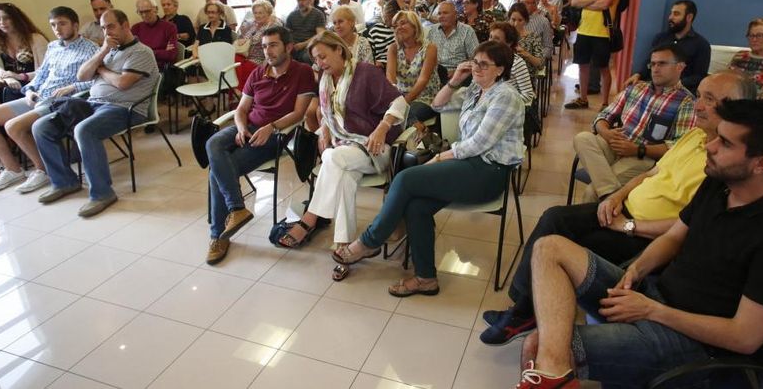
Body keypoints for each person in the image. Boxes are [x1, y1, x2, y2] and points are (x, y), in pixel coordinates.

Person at [514, 99, 763, 389]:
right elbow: (674, 236)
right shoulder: (718, 185)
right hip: (655, 296)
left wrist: (651, 311)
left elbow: (743, 338)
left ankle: (554, 372)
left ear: (761, 164)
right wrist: (635, 271)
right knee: (549, 247)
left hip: (693, 344)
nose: (709, 147)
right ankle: (556, 374)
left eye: (725, 143)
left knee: (539, 346)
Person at [480, 71, 756, 346]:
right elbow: (651, 173)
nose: (698, 105)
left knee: (568, 241)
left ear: (736, 106)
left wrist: (628, 225)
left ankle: (523, 313)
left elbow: (687, 226)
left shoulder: (726, 165)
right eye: (699, 97)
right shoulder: (694, 135)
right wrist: (616, 197)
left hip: (644, 233)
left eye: (709, 99)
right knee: (555, 217)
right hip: (625, 208)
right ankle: (524, 305)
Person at [332, 41, 524, 295]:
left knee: (405, 180)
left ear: (500, 70)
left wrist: (441, 158)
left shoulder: (506, 96)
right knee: (416, 205)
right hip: (467, 165)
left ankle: (369, 242)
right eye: (474, 62)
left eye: (483, 64)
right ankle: (425, 278)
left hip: (489, 172)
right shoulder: (477, 91)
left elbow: (479, 144)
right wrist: (456, 79)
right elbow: (438, 104)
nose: (476, 68)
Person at [276, 32, 407, 267]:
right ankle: (344, 247)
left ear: (339, 50)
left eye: (323, 56)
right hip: (345, 148)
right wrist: (325, 127)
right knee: (341, 175)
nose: (320, 63)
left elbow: (399, 102)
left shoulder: (365, 71)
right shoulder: (325, 79)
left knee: (330, 157)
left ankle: (310, 219)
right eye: (316, 59)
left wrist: (382, 127)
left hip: (375, 147)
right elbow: (333, 111)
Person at [204, 26, 317, 265]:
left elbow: (299, 113)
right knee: (213, 142)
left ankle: (218, 235)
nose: (268, 51)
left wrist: (272, 127)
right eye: (264, 46)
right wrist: (242, 127)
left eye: (273, 45)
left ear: (288, 47)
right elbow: (242, 109)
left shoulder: (303, 72)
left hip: (276, 134)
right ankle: (237, 208)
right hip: (249, 127)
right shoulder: (258, 73)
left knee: (219, 169)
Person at [32, 9, 159, 217]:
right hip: (92, 103)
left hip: (125, 108)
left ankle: (102, 193)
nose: (106, 32)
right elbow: (82, 75)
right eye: (102, 27)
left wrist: (100, 69)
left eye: (111, 26)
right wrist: (102, 53)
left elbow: (122, 83)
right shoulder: (108, 49)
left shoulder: (141, 52)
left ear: (125, 25)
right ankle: (64, 182)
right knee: (41, 126)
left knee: (84, 130)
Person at [0, 6, 97, 193]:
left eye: (62, 24)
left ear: (75, 25)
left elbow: (97, 81)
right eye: (53, 25)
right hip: (38, 96)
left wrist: (72, 87)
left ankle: (43, 169)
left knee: (12, 126)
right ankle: (12, 169)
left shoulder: (90, 49)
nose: (57, 29)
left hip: (61, 101)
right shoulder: (53, 47)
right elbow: (42, 74)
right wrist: (29, 89)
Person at [574, 44, 696, 203]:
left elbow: (678, 147)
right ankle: (608, 194)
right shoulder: (637, 89)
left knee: (592, 192)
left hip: (642, 156)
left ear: (680, 67)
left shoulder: (686, 102)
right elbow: (604, 115)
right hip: (614, 143)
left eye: (662, 64)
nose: (655, 69)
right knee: (582, 138)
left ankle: (602, 195)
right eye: (652, 64)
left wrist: (637, 149)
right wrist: (607, 133)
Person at [566, 0, 622, 109]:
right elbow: (575, 2)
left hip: (602, 32)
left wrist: (587, 3)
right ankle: (583, 99)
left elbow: (604, 5)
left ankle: (605, 104)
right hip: (583, 30)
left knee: (604, 68)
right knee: (582, 66)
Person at [626, 0, 711, 94]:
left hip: (679, 92)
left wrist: (676, 84)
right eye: (671, 13)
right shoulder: (661, 38)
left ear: (689, 17)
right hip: (652, 86)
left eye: (676, 14)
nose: (670, 17)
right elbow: (649, 61)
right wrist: (638, 74)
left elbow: (699, 76)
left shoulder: (701, 45)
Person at [386, 11, 440, 124]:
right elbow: (390, 77)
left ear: (415, 26)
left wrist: (403, 103)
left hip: (425, 98)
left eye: (403, 23)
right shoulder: (393, 48)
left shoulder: (430, 48)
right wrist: (397, 99)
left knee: (402, 116)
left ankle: (418, 131)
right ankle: (417, 128)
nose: (399, 28)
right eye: (396, 26)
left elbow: (423, 80)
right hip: (400, 97)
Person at [0, 3, 49, 104]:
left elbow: (45, 70)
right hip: (6, 81)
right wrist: (9, 78)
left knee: (11, 91)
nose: (2, 22)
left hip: (31, 81)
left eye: (6, 18)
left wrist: (20, 77)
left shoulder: (36, 38)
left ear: (16, 19)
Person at [425, 2, 479, 83]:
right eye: (439, 14)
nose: (441, 16)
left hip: (458, 75)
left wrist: (458, 71)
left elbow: (476, 58)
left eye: (445, 13)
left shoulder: (467, 31)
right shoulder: (431, 31)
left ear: (455, 14)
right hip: (433, 73)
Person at [234, 0, 283, 85]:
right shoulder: (252, 24)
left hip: (259, 59)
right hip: (244, 55)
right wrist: (241, 39)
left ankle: (243, 91)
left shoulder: (273, 26)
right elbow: (240, 37)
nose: (257, 15)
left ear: (268, 13)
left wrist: (266, 62)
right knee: (233, 60)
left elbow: (274, 47)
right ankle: (239, 90)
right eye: (255, 13)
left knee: (240, 66)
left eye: (260, 13)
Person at [488, 22, 535, 106]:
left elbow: (528, 95)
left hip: (507, 108)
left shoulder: (517, 63)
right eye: (490, 37)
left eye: (496, 38)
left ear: (509, 43)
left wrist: (503, 103)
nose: (491, 41)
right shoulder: (486, 60)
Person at [131, 0, 178, 68]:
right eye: (141, 12)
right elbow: (132, 53)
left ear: (155, 9)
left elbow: (171, 55)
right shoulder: (135, 28)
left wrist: (144, 52)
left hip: (160, 69)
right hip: (139, 66)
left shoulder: (169, 27)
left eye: (147, 11)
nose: (144, 15)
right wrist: (161, 51)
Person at [286, 0, 327, 64]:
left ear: (309, 0)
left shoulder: (318, 14)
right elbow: (287, 34)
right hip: (294, 46)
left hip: (311, 45)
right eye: (298, 0)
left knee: (306, 57)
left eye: (303, 0)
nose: (301, 3)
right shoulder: (292, 16)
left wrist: (303, 44)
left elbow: (320, 35)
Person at [508, 3, 544, 74]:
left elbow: (540, 64)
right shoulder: (504, 35)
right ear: (509, 19)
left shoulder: (534, 37)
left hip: (526, 76)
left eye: (520, 20)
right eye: (513, 20)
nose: (516, 24)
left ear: (526, 21)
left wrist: (526, 54)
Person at [521, 0, 553, 66]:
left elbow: (548, 46)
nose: (523, 5)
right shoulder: (513, 19)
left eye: (527, 3)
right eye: (522, 3)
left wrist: (537, 59)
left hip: (534, 59)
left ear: (535, 5)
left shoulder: (543, 21)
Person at [368, 0, 399, 65]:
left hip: (396, 64)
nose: (385, 19)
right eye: (384, 15)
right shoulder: (376, 30)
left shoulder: (401, 30)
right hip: (378, 66)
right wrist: (374, 62)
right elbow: (369, 53)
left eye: (389, 17)